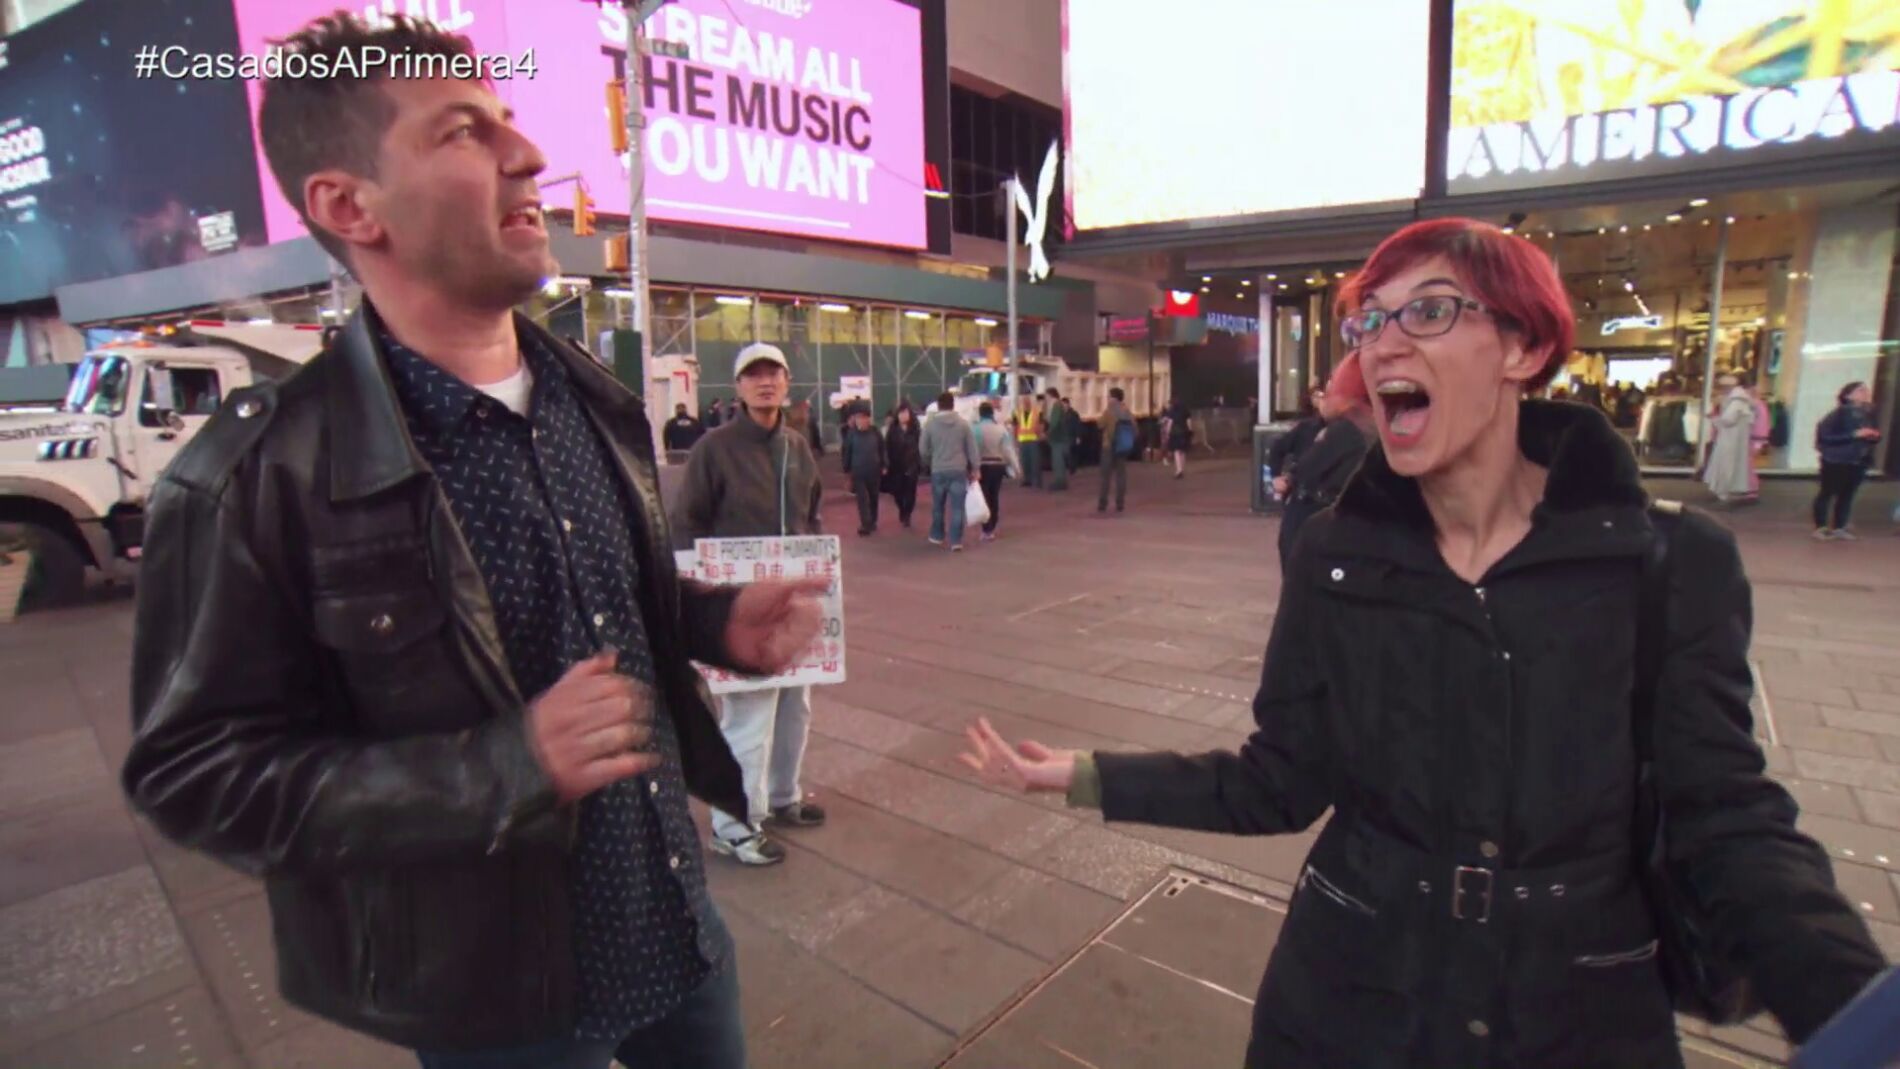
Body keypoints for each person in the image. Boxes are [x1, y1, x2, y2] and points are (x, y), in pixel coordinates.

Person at [959, 217, 1885, 1069]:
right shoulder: (1336, 556)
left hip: (1577, 1014)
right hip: (1347, 1000)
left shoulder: (1668, 563)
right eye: (1369, 321)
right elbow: (1279, 779)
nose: (1385, 341)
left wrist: (1859, 1011)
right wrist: (1082, 775)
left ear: (1524, 346)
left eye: (1431, 312)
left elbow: (1730, 817)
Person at [122, 15, 829, 1068]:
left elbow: (591, 604)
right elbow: (194, 769)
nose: (530, 156)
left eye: (507, 121)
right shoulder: (253, 477)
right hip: (494, 997)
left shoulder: (594, 403)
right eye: (463, 133)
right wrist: (504, 766)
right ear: (347, 205)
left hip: (674, 921)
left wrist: (716, 621)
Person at [675, 342, 826, 868]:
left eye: (774, 374)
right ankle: (735, 825)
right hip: (738, 608)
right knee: (749, 716)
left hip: (792, 601)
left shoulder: (797, 447)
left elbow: (811, 517)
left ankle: (784, 797)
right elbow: (687, 525)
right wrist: (702, 605)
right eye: (753, 375)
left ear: (787, 383)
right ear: (737, 388)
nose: (765, 383)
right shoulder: (713, 449)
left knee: (795, 707)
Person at [1276, 381, 1371, 577]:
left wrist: (1290, 478)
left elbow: (1309, 467)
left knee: (1300, 571)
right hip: (1343, 511)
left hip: (1315, 508)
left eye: (1327, 394)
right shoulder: (1367, 428)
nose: (1322, 401)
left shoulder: (1344, 430)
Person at [1812, 381, 1881, 541]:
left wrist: (1873, 436)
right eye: (1860, 390)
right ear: (1848, 395)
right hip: (1836, 460)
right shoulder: (1838, 414)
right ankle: (1821, 526)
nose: (1865, 393)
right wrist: (1854, 435)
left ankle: (1839, 526)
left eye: (1865, 390)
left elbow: (1874, 433)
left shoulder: (1868, 413)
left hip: (1858, 460)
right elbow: (1825, 437)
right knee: (1827, 492)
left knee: (1847, 494)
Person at [920, 392, 977, 551]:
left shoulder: (930, 425)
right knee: (957, 507)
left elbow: (923, 449)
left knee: (938, 505)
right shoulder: (963, 424)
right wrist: (975, 468)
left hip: (938, 469)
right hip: (958, 470)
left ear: (938, 406)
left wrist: (930, 460)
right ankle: (956, 541)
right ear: (953, 405)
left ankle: (937, 536)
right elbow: (971, 448)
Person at [1702, 375, 1756, 506]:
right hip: (1733, 438)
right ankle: (1727, 490)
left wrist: (1713, 418)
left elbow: (1728, 420)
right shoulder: (1741, 400)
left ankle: (1724, 491)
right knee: (1730, 462)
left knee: (1726, 463)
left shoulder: (1736, 402)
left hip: (1730, 438)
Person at [1266, 388, 1326, 501]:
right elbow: (1278, 448)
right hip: (1303, 496)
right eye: (1320, 397)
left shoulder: (1347, 430)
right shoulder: (1306, 427)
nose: (1321, 401)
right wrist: (1275, 476)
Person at [975, 401, 1020, 542]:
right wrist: (1017, 468)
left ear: (980, 414)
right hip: (998, 466)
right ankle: (992, 528)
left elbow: (972, 450)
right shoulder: (1001, 430)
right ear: (992, 413)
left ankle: (985, 528)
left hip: (982, 466)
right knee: (994, 497)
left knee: (984, 497)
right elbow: (1008, 450)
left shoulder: (975, 429)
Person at [840, 403, 886, 536]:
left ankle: (873, 521)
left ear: (869, 419)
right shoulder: (851, 434)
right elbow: (846, 452)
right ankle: (865, 524)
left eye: (864, 417)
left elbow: (882, 449)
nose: (861, 420)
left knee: (873, 497)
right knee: (862, 499)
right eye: (858, 417)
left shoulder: (875, 432)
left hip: (874, 470)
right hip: (858, 472)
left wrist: (884, 464)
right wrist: (846, 469)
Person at [1098, 387, 1136, 514]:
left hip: (1109, 446)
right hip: (1122, 446)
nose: (1107, 398)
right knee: (1121, 476)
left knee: (1105, 477)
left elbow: (1100, 424)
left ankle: (1102, 503)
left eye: (1109, 396)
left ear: (1114, 398)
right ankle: (1120, 503)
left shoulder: (1109, 410)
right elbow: (1135, 428)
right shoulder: (1127, 411)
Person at [883, 403, 922, 528]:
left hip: (912, 465)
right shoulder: (893, 430)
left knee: (911, 492)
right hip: (896, 466)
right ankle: (902, 509)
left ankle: (907, 514)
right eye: (901, 413)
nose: (903, 416)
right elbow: (887, 447)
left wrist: (919, 462)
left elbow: (921, 447)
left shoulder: (915, 430)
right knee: (897, 491)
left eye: (906, 413)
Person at [1043, 388, 1072, 490]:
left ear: (1050, 395)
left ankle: (1059, 482)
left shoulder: (1056, 406)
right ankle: (1061, 482)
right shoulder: (1057, 405)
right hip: (1060, 438)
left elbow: (1054, 422)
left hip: (1058, 439)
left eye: (1046, 395)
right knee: (1060, 461)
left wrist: (1047, 433)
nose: (1045, 398)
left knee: (1057, 461)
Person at [1015, 395, 1044, 489]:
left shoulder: (1037, 412)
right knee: (1024, 461)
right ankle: (1027, 479)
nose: (1026, 403)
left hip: (1033, 439)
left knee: (1035, 461)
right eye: (1024, 402)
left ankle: (1037, 481)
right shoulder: (1018, 412)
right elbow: (1015, 425)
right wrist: (1015, 437)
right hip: (1022, 439)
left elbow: (1041, 424)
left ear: (1030, 402)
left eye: (1027, 401)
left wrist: (1039, 435)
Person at [1162, 396, 1193, 478]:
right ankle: (1182, 469)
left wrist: (1167, 432)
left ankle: (1178, 470)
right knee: (1183, 451)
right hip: (1185, 432)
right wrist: (1190, 431)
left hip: (1175, 433)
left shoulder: (1172, 411)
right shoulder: (1185, 410)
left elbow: (1170, 423)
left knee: (1176, 451)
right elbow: (1189, 422)